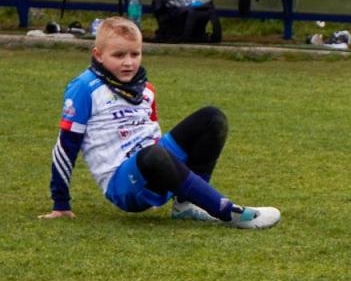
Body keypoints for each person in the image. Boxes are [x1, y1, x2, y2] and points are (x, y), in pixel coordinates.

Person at [41, 16, 280, 229]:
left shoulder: (146, 89)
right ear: (98, 55)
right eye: (118, 55)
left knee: (212, 118)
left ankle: (186, 206)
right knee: (152, 153)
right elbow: (65, 147)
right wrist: (60, 202)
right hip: (124, 185)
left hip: (154, 163)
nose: (128, 62)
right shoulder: (84, 88)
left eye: (135, 54)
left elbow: (151, 133)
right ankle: (226, 211)